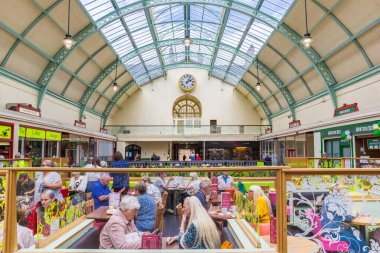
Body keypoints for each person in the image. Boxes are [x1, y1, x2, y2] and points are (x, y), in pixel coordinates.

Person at [320, 185, 368, 253]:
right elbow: (347, 217)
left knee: (355, 231)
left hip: (328, 230)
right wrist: (356, 214)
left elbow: (336, 217)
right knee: (353, 237)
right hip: (333, 232)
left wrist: (342, 223)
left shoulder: (328, 199)